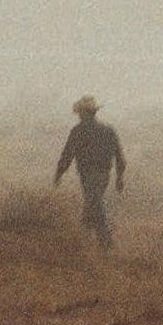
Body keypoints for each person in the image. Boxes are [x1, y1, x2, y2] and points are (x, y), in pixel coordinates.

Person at [52, 95, 127, 250]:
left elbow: (67, 155)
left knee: (95, 206)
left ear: (84, 113)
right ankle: (85, 242)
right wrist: (119, 178)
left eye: (80, 113)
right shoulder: (108, 130)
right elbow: (120, 157)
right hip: (103, 176)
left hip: (88, 176)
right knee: (92, 205)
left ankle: (104, 244)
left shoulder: (78, 131)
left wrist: (59, 174)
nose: (79, 115)